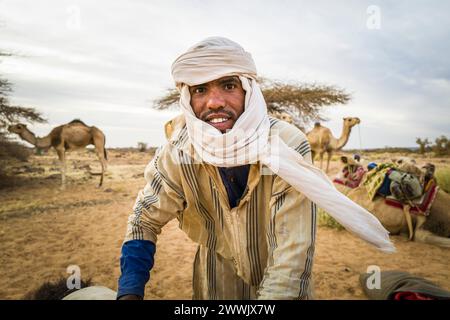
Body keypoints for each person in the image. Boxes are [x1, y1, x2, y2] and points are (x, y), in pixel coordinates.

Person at [117, 37, 394, 300]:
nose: (214, 102)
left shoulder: (285, 145)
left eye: (228, 85)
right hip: (214, 284)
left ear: (248, 90)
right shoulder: (179, 152)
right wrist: (130, 289)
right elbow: (143, 219)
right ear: (188, 97)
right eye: (200, 89)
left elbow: (291, 259)